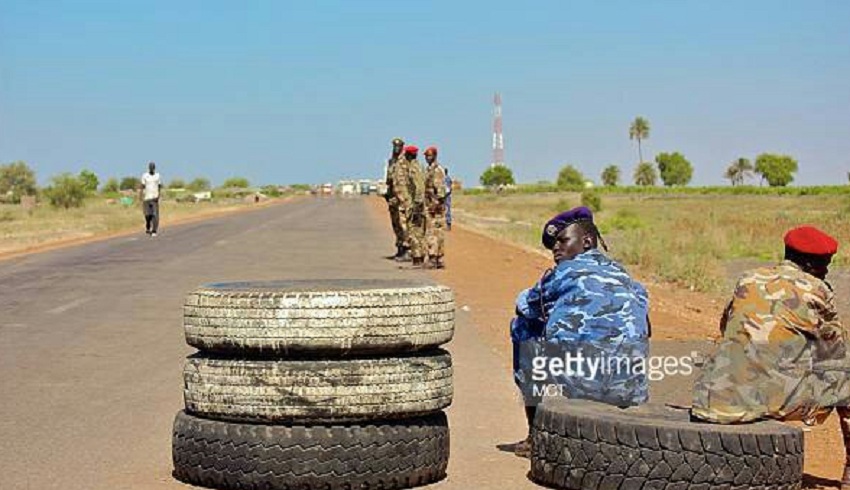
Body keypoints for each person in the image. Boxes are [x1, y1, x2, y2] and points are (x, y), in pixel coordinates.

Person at [692, 225, 850, 486]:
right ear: (810, 263)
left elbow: (725, 328)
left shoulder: (747, 278)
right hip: (770, 402)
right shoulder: (817, 289)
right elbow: (834, 351)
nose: (826, 271)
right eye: (825, 264)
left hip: (715, 399)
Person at [510, 207, 650, 457]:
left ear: (587, 241)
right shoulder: (625, 275)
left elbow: (525, 304)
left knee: (522, 326)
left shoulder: (563, 273)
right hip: (630, 387)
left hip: (583, 384)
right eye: (553, 243)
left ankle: (535, 436)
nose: (556, 248)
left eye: (563, 240)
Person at [402, 145, 427, 268]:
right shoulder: (418, 166)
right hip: (418, 203)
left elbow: (419, 187)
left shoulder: (414, 168)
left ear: (409, 155)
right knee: (419, 231)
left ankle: (418, 258)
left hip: (416, 204)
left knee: (414, 231)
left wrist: (417, 204)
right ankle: (419, 257)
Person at [424, 147, 447, 269]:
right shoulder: (429, 169)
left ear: (435, 156)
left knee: (433, 233)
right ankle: (437, 258)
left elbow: (440, 190)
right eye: (426, 156)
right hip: (430, 203)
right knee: (436, 232)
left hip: (435, 205)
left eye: (430, 155)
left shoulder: (437, 170)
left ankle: (434, 258)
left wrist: (436, 203)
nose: (428, 158)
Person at [384, 138, 408, 260]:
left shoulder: (406, 161)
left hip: (404, 198)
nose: (396, 148)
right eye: (394, 146)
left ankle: (407, 249)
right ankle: (400, 247)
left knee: (404, 224)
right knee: (396, 224)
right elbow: (389, 180)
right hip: (393, 197)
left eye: (398, 146)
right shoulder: (391, 162)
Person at [140, 162, 162, 237]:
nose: (152, 168)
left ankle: (154, 230)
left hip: (154, 198)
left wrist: (159, 195)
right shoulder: (145, 176)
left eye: (153, 167)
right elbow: (142, 186)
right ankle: (148, 224)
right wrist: (140, 196)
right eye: (151, 167)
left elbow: (159, 186)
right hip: (146, 198)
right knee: (147, 215)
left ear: (154, 168)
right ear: (149, 168)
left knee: (155, 215)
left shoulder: (157, 175)